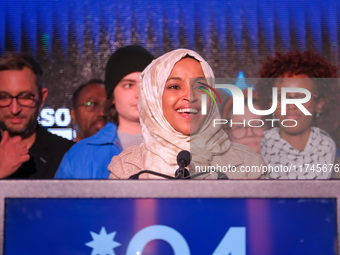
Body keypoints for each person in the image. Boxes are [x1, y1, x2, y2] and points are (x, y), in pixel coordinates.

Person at [108, 49, 265, 179]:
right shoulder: (127, 169)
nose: (190, 96)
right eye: (175, 86)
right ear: (153, 97)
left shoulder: (247, 164)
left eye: (201, 87)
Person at [54, 45, 154, 179]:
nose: (138, 93)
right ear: (112, 95)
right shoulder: (80, 154)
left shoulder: (176, 145)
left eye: (144, 84)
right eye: (128, 85)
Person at [257, 51, 340, 179]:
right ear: (270, 103)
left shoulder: (334, 163)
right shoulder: (254, 158)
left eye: (302, 96)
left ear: (320, 104)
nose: (291, 105)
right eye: (282, 96)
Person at [0, 52, 74, 179]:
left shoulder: (67, 154)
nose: (15, 109)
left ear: (41, 97)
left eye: (25, 97)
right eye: (4, 97)